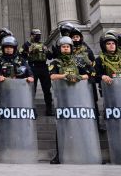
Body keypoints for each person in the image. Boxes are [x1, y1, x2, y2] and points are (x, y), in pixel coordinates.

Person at [49, 36, 94, 164]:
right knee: (62, 128)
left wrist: (78, 77)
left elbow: (88, 74)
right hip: (63, 99)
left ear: (71, 48)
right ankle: (60, 155)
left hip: (79, 98)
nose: (65, 48)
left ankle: (88, 152)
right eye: (63, 46)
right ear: (60, 48)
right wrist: (65, 76)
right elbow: (52, 76)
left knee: (82, 126)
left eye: (68, 46)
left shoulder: (78, 61)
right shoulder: (55, 62)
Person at [21, 29, 54, 115]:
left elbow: (50, 57)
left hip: (43, 67)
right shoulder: (27, 44)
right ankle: (31, 109)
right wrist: (28, 52)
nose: (38, 36)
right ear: (31, 35)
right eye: (36, 35)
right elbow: (20, 55)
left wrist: (48, 51)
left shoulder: (43, 45)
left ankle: (49, 109)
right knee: (32, 89)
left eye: (39, 34)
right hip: (33, 67)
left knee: (47, 89)